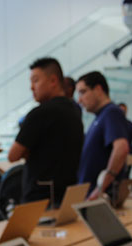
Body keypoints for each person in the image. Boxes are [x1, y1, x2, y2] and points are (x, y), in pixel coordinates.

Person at [8, 57, 83, 206]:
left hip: (39, 201)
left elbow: (13, 155)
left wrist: (30, 151)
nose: (31, 87)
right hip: (68, 196)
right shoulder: (75, 111)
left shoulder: (40, 113)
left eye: (35, 80)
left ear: (53, 81)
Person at [76, 71, 130, 200]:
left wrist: (101, 187)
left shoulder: (111, 112)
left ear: (98, 89)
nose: (80, 100)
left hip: (100, 198)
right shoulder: (100, 117)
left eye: (83, 92)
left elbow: (121, 148)